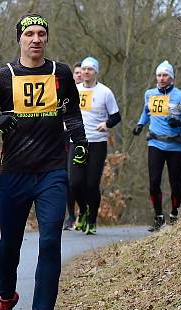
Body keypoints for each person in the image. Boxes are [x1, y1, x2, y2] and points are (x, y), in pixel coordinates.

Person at [0, 14, 87, 310]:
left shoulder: (60, 73)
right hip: (15, 173)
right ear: (20, 39)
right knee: (10, 244)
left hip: (51, 171)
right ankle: (6, 297)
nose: (35, 39)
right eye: (29, 34)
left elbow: (72, 114)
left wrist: (80, 144)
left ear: (46, 39)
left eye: (41, 34)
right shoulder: (4, 76)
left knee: (50, 241)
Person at [133, 60, 181, 232]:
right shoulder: (149, 94)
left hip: (174, 146)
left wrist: (179, 121)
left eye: (165, 75)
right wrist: (140, 124)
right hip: (155, 143)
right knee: (154, 182)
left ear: (172, 78)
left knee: (175, 183)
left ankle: (174, 214)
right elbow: (146, 112)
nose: (161, 78)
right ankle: (158, 217)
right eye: (159, 75)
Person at [70, 57, 121, 235]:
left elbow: (116, 116)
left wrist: (106, 124)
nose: (86, 72)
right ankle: (83, 211)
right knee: (74, 183)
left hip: (97, 142)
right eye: (83, 69)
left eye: (90, 69)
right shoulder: (74, 90)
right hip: (77, 142)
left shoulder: (105, 92)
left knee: (92, 184)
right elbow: (66, 113)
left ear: (95, 72)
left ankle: (91, 221)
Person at [63, 62, 84, 230]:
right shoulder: (64, 92)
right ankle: (70, 216)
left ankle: (84, 210)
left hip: (81, 139)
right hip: (62, 139)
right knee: (66, 180)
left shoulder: (90, 93)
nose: (78, 75)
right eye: (75, 72)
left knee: (79, 181)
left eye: (80, 72)